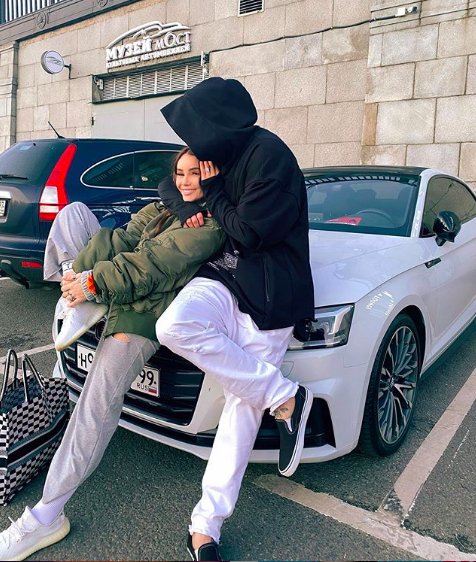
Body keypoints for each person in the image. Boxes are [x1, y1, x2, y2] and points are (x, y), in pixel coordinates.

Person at [0, 148, 225, 562]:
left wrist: (93, 283)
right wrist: (82, 275)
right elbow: (123, 238)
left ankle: (47, 515)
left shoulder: (208, 225)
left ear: (212, 177)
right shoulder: (164, 207)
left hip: (143, 313)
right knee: (74, 214)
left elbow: (149, 265)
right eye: (179, 172)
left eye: (195, 173)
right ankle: (78, 294)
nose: (185, 181)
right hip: (114, 288)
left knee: (94, 406)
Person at [154, 77, 315, 561]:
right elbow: (169, 184)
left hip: (269, 292)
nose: (192, 144)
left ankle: (205, 528)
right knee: (172, 326)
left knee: (240, 410)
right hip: (223, 279)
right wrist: (190, 204)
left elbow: (248, 232)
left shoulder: (271, 159)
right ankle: (283, 395)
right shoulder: (218, 150)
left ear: (217, 126)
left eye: (195, 131)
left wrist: (213, 192)